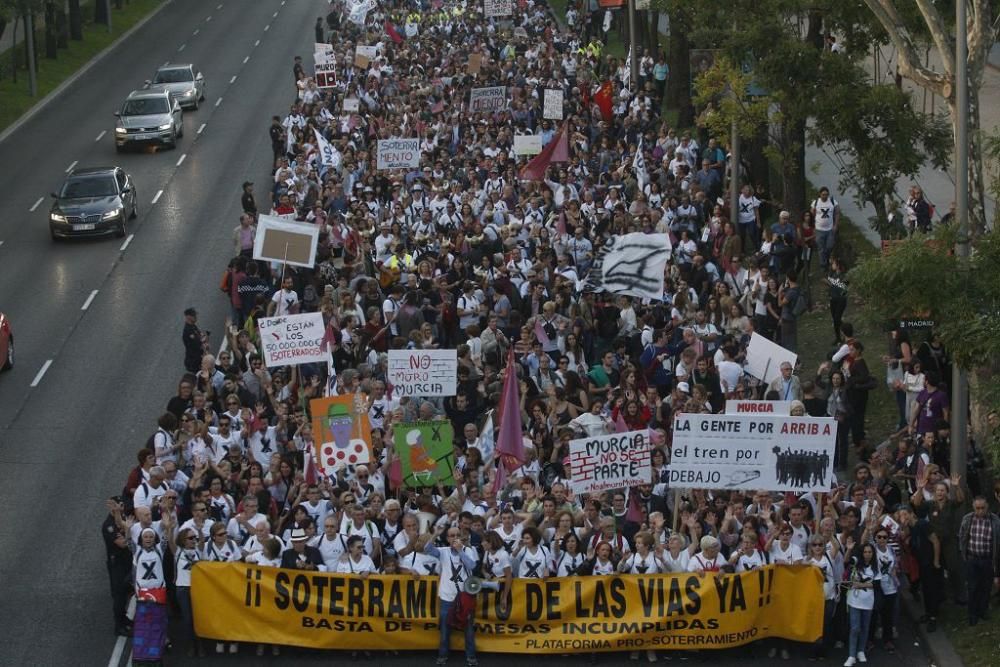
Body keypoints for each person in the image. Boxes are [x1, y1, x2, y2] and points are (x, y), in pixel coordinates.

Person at [425, 525, 480, 667]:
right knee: (445, 630)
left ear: (461, 536)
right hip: (447, 597)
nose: (455, 538)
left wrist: (460, 550)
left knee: (468, 630)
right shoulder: (443, 551)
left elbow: (472, 566)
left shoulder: (469, 550)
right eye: (451, 535)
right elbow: (427, 549)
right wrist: (435, 534)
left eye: (457, 535)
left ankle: (471, 656)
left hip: (465, 597)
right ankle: (443, 656)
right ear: (447, 538)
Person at [958, 496, 1000, 626]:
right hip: (972, 559)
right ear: (973, 507)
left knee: (986, 587)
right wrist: (964, 554)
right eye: (978, 508)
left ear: (987, 507)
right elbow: (962, 537)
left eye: (983, 508)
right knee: (972, 587)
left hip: (987, 559)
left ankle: (983, 610)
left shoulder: (995, 520)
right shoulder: (967, 519)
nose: (980, 511)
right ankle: (972, 614)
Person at [844, 542, 879, 667]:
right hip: (854, 601)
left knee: (865, 627)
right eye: (865, 552)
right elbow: (846, 561)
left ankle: (861, 651)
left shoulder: (875, 567)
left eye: (870, 552)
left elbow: (876, 584)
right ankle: (851, 655)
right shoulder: (856, 562)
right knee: (855, 628)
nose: (867, 554)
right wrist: (848, 550)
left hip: (868, 602)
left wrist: (861, 585)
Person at [182, 307, 207, 373]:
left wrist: (203, 337)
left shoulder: (193, 326)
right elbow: (197, 344)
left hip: (199, 358)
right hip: (194, 361)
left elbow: (200, 335)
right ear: (188, 317)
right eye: (194, 315)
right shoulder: (188, 331)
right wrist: (203, 341)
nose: (196, 317)